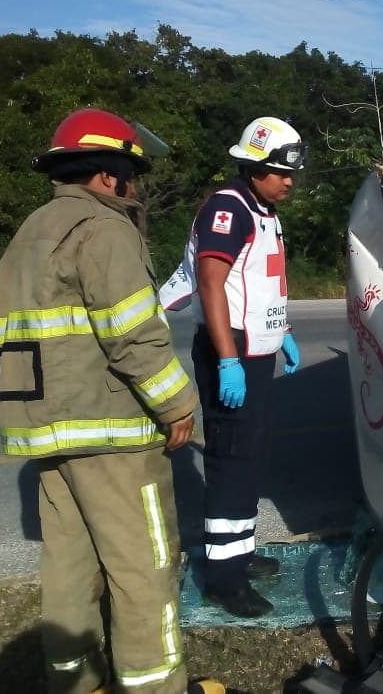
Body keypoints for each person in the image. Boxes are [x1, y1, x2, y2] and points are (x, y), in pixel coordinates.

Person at [0, 108, 199, 694]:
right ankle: (155, 686)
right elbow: (133, 333)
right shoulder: (104, 229)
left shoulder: (30, 233)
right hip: (112, 435)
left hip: (50, 434)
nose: (136, 188)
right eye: (132, 175)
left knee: (69, 571)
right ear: (108, 175)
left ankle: (76, 683)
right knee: (143, 570)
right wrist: (177, 406)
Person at [160, 116, 304, 618]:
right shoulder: (229, 207)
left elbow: (261, 283)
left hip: (257, 351)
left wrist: (282, 330)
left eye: (292, 173)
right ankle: (223, 578)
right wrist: (227, 359)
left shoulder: (264, 210)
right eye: (280, 172)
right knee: (228, 461)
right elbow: (210, 283)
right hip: (232, 351)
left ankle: (239, 553)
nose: (289, 181)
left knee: (249, 458)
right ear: (253, 166)